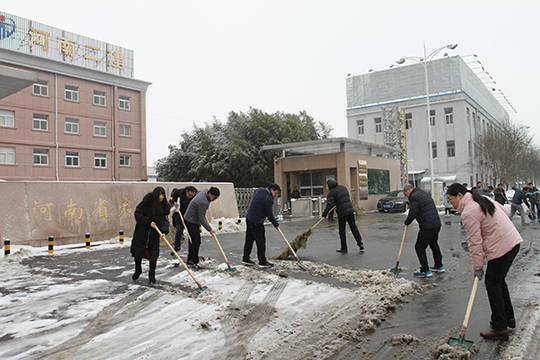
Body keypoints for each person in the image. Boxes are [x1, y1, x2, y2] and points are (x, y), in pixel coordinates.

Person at [446, 183, 522, 340]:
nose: (449, 203)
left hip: (502, 247)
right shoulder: (482, 199)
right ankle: (508, 318)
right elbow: (505, 211)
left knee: (492, 283)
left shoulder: (469, 212)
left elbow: (475, 242)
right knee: (499, 282)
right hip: (512, 241)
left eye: (450, 199)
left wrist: (478, 267)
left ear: (460, 195)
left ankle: (500, 327)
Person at [130, 186, 171, 284]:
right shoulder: (146, 202)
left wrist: (164, 231)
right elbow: (138, 214)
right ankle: (138, 270)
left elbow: (164, 221)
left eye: (162, 195)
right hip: (142, 231)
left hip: (153, 235)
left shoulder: (163, 206)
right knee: (138, 252)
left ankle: (152, 274)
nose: (160, 197)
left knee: (153, 255)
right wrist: (148, 222)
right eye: (159, 195)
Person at [402, 183, 443, 277]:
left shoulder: (414, 196)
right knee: (434, 244)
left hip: (427, 225)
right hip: (436, 223)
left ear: (409, 190)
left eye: (406, 194)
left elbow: (413, 211)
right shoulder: (423, 193)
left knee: (419, 247)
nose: (407, 197)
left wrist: (407, 221)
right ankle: (439, 266)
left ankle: (425, 270)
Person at [242, 183, 281, 267]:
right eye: (275, 193)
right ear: (271, 190)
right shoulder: (269, 199)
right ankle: (262, 261)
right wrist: (276, 224)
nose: (275, 195)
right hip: (257, 222)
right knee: (261, 241)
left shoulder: (260, 190)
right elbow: (269, 214)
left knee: (249, 240)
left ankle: (245, 258)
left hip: (249, 218)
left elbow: (256, 194)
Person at [321, 179, 364, 253]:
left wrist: (324, 214)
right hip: (350, 210)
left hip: (342, 212)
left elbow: (330, 204)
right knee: (353, 227)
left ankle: (344, 247)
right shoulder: (343, 187)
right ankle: (360, 243)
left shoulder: (331, 193)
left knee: (342, 230)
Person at [183, 187, 220, 269]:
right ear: (210, 194)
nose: (214, 200)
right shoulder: (203, 202)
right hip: (191, 221)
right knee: (196, 241)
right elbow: (201, 219)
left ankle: (190, 259)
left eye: (216, 198)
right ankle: (195, 262)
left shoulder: (205, 191)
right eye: (213, 197)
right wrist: (210, 229)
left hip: (189, 217)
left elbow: (197, 193)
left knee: (192, 240)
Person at [170, 186, 198, 254]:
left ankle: (191, 250)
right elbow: (175, 194)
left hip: (190, 215)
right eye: (189, 195)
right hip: (181, 213)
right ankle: (176, 247)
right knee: (179, 230)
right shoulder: (182, 191)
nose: (190, 197)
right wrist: (175, 201)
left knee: (190, 233)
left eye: (192, 195)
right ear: (186, 192)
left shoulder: (196, 195)